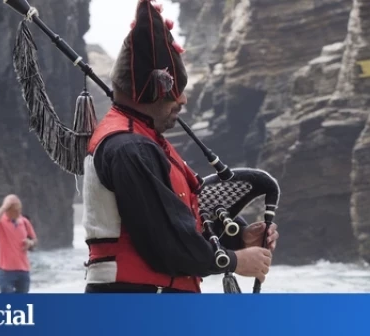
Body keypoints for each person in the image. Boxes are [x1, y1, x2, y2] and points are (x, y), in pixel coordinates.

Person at [79, 0, 280, 293]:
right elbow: (165, 242)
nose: (183, 100)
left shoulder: (143, 141)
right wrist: (234, 261)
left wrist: (238, 240)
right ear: (152, 91)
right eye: (176, 92)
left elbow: (180, 223)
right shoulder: (129, 147)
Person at [0, 194, 38, 293]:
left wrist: (30, 243)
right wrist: (3, 207)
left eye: (20, 209)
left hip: (23, 270)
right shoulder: (0, 222)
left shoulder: (24, 221)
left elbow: (35, 240)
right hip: (5, 271)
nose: (19, 212)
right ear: (8, 210)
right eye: (16, 210)